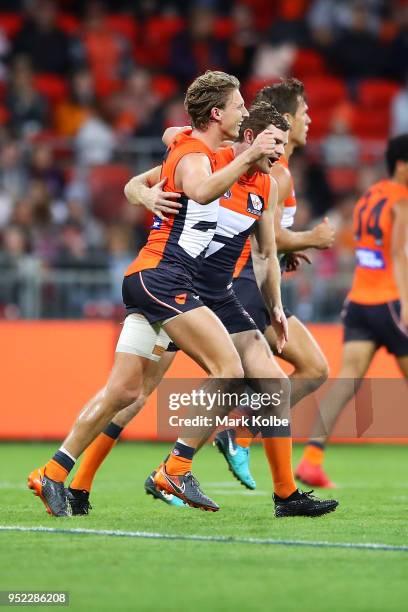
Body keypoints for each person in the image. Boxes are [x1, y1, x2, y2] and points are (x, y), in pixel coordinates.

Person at [64, 102, 338, 519]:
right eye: (275, 138)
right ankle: (84, 484)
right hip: (177, 287)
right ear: (248, 133)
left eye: (283, 142)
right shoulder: (205, 159)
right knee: (134, 395)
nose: (281, 148)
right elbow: (151, 169)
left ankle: (284, 494)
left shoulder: (268, 183)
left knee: (273, 382)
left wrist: (277, 306)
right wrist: (141, 192)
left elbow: (266, 253)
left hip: (219, 293)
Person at [27, 70, 280, 517]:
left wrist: (145, 191)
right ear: (218, 113)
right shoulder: (197, 156)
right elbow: (200, 189)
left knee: (122, 392)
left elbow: (147, 175)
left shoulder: (201, 147)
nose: (245, 111)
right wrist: (248, 155)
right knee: (230, 367)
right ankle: (176, 468)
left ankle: (52, 472)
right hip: (165, 279)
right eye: (239, 104)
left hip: (151, 278)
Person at [213, 78, 336, 489]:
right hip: (249, 283)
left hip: (260, 281)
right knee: (259, 378)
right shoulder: (276, 174)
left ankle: (215, 447)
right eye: (304, 113)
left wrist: (289, 250)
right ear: (285, 120)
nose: (310, 120)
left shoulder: (281, 171)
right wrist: (310, 239)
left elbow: (271, 239)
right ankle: (187, 459)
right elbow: (268, 240)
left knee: (256, 379)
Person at [295, 134, 408, 487]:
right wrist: (406, 307)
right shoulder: (402, 201)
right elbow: (399, 255)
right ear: (403, 165)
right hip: (390, 301)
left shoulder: (369, 197)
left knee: (346, 382)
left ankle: (312, 459)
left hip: (359, 301)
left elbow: (368, 250)